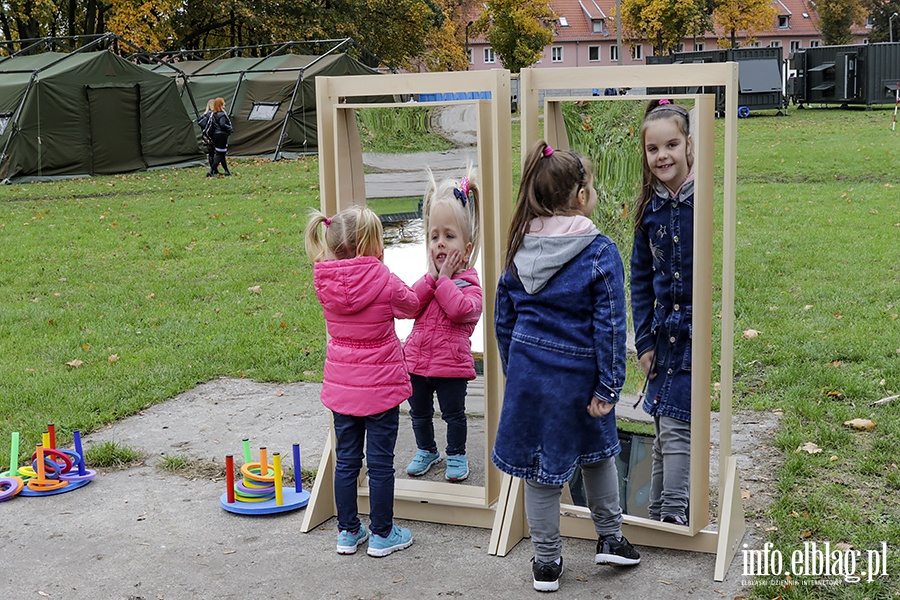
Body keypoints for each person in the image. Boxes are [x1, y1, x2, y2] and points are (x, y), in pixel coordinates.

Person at [493, 141, 640, 593]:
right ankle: (611, 537)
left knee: (539, 473)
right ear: (580, 196)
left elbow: (504, 320)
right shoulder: (598, 250)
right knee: (598, 455)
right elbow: (612, 326)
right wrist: (609, 387)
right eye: (589, 186)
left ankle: (546, 563)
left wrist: (514, 374)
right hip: (580, 381)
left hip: (531, 380)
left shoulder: (519, 248)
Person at [305, 205, 420, 557]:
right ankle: (383, 534)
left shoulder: (323, 279)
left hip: (342, 387)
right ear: (374, 244)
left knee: (347, 461)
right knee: (381, 464)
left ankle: (347, 532)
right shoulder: (383, 279)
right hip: (381, 387)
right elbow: (412, 305)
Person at [630, 98, 695, 527]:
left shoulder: (704, 202)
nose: (663, 156)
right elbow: (638, 280)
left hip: (692, 333)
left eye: (672, 144)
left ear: (689, 144)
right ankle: (657, 516)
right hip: (661, 332)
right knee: (661, 427)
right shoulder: (648, 211)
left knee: (677, 426)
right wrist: (644, 340)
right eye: (654, 149)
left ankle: (674, 514)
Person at [403, 165, 482, 483]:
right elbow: (409, 305)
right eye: (434, 236)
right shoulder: (428, 281)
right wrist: (433, 279)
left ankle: (456, 454)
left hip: (451, 367)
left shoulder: (469, 284)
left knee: (454, 415)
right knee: (418, 413)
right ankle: (427, 449)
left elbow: (462, 311)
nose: (439, 243)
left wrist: (445, 281)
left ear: (465, 250)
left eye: (448, 236)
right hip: (417, 362)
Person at [207, 97, 233, 177]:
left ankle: (227, 171)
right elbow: (222, 124)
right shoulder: (222, 114)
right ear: (220, 104)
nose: (225, 104)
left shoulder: (213, 114)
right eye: (223, 102)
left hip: (215, 135)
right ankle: (211, 171)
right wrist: (229, 128)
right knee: (220, 154)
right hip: (222, 135)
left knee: (221, 153)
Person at [197, 99, 216, 176]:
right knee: (217, 153)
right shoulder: (213, 115)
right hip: (213, 136)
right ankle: (214, 168)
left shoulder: (203, 115)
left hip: (206, 137)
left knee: (210, 153)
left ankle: (212, 167)